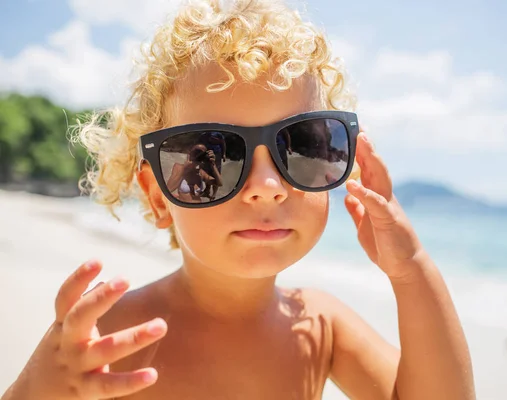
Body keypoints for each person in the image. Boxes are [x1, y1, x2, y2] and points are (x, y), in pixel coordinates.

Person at [0, 1, 474, 400]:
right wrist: (40, 385)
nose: (266, 185)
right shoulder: (115, 336)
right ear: (159, 195)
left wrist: (410, 270)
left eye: (303, 144)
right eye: (210, 157)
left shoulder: (320, 327)